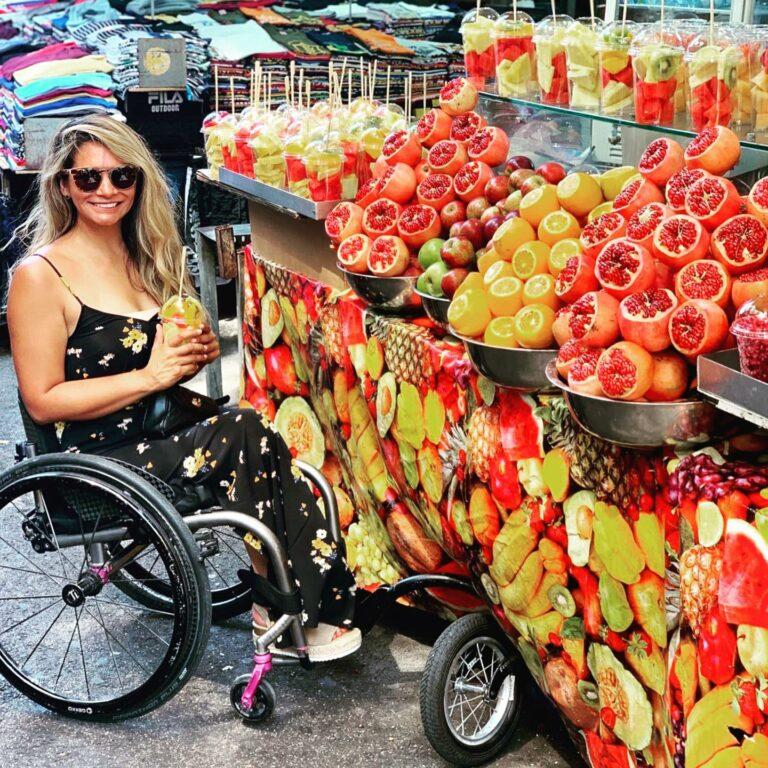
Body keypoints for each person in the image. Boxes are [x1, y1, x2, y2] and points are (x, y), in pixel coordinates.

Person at [6, 114, 360, 661]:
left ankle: (291, 594)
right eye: (88, 179)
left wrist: (189, 354)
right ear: (63, 185)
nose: (106, 190)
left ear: (139, 182)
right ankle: (296, 604)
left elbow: (165, 366)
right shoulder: (40, 276)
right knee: (244, 431)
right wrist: (152, 375)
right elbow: (42, 398)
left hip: (155, 430)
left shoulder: (142, 259)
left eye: (122, 177)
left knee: (254, 423)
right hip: (95, 456)